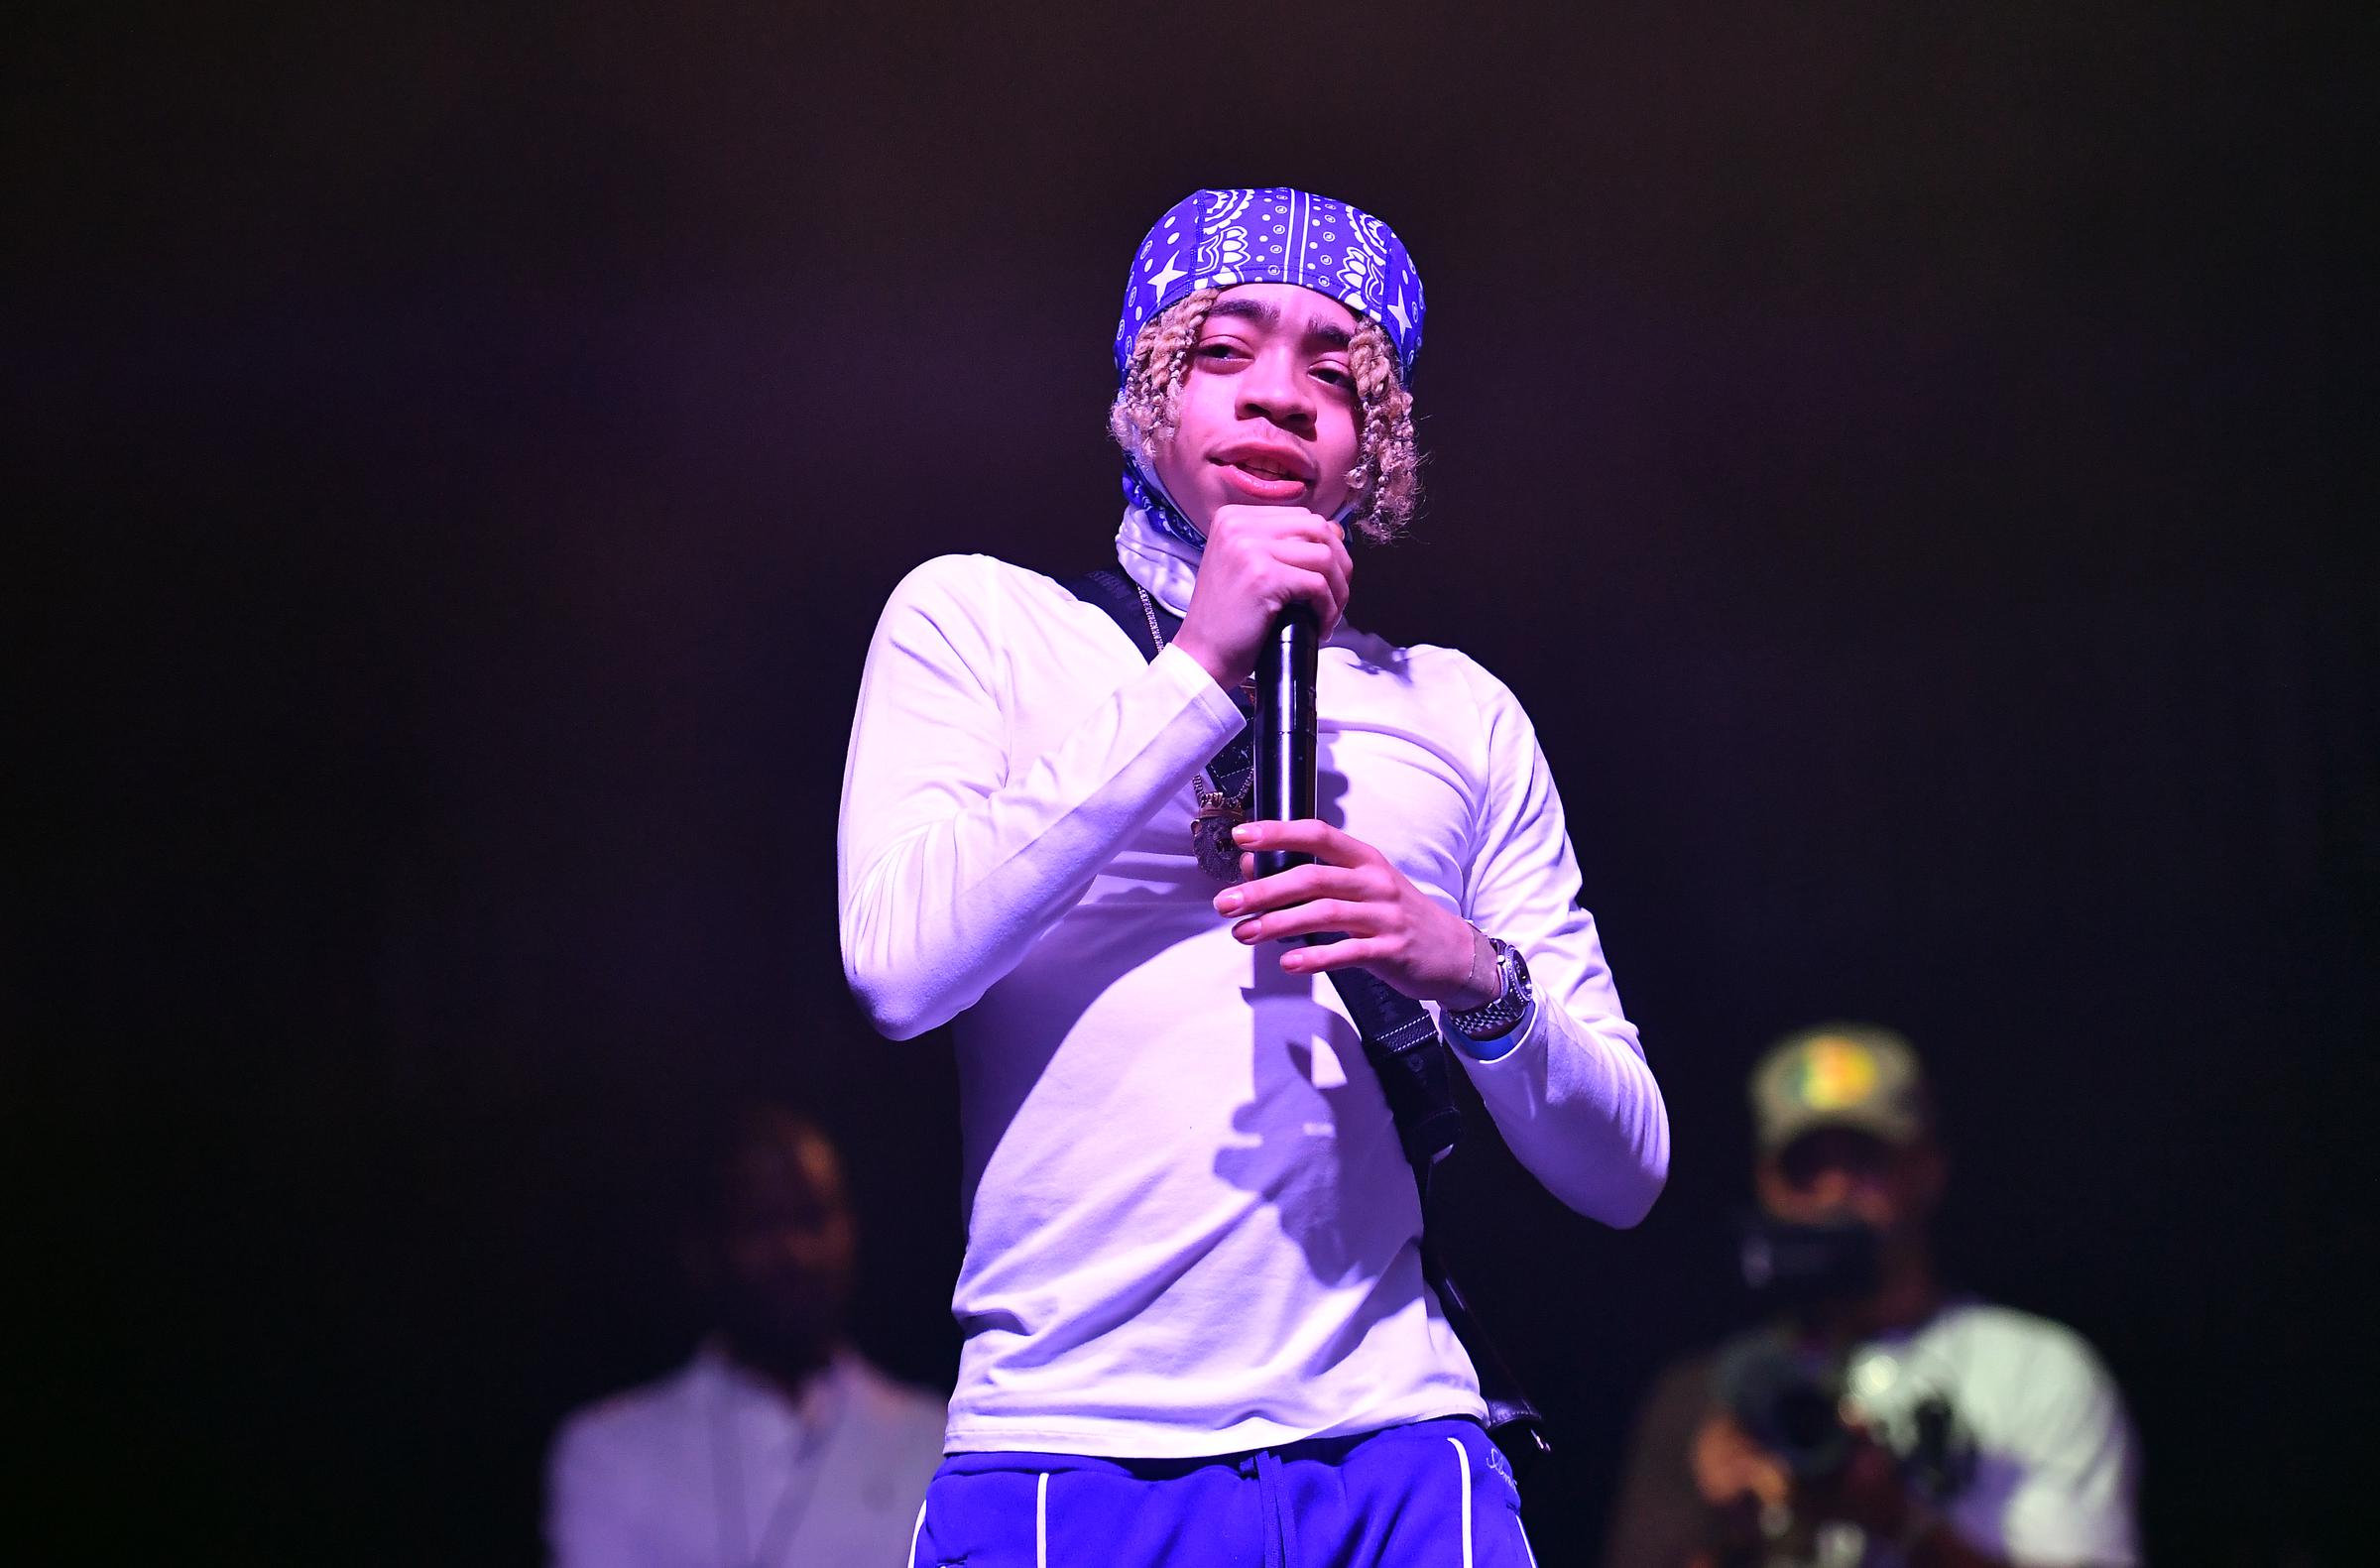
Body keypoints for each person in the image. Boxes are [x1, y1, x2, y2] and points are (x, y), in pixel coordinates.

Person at [839, 185, 1670, 1566]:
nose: (1280, 397)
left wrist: (1459, 963)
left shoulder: (1458, 710)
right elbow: (899, 969)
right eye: (1223, 351)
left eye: (1334, 371)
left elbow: (1627, 1169)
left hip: (1396, 1444)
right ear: (1144, 389)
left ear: (1377, 447)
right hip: (1069, 1445)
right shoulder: (981, 623)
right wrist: (1198, 670)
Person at [1603, 1025, 2141, 1568]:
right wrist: (1717, 1524)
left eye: (1863, 1161)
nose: (1834, 1190)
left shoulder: (2038, 1372)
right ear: (1766, 1185)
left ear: (1926, 1170)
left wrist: (1896, 1519)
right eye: (1805, 1167)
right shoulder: (1704, 1396)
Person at [544, 1106, 946, 1568]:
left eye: (812, 1219)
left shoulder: (933, 1441)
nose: (794, 1252)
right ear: (704, 1248)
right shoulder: (610, 1451)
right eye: (762, 1223)